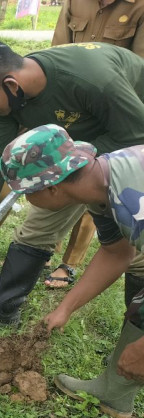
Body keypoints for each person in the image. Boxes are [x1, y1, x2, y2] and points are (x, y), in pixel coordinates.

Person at [0, 38, 144, 326]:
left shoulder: (93, 79)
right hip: (75, 161)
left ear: (11, 85)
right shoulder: (7, 102)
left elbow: (137, 134)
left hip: (130, 140)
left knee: (137, 253)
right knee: (39, 227)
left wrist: (65, 164)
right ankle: (3, 311)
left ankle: (136, 331)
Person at [0, 124, 144, 418]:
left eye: (26, 194)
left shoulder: (135, 203)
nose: (26, 203)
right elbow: (117, 253)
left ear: (51, 187)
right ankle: (113, 391)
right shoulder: (100, 187)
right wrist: (65, 308)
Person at [45, 0, 144, 288]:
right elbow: (57, 50)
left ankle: (69, 262)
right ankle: (45, 247)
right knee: (59, 178)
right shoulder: (75, 1)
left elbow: (140, 68)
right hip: (73, 106)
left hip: (116, 107)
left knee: (93, 184)